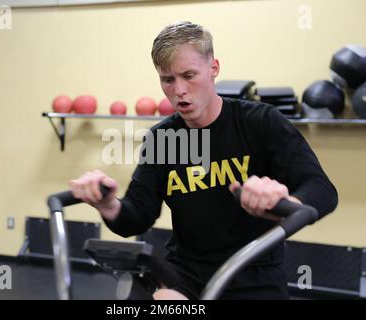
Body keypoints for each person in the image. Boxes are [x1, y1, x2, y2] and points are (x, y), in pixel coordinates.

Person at [70, 21, 338, 300]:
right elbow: (136, 218)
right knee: (161, 299)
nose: (179, 90)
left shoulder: (260, 123)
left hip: (252, 273)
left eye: (189, 75)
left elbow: (322, 191)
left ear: (214, 69)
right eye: (168, 80)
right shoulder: (163, 138)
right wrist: (107, 204)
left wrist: (285, 204)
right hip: (185, 274)